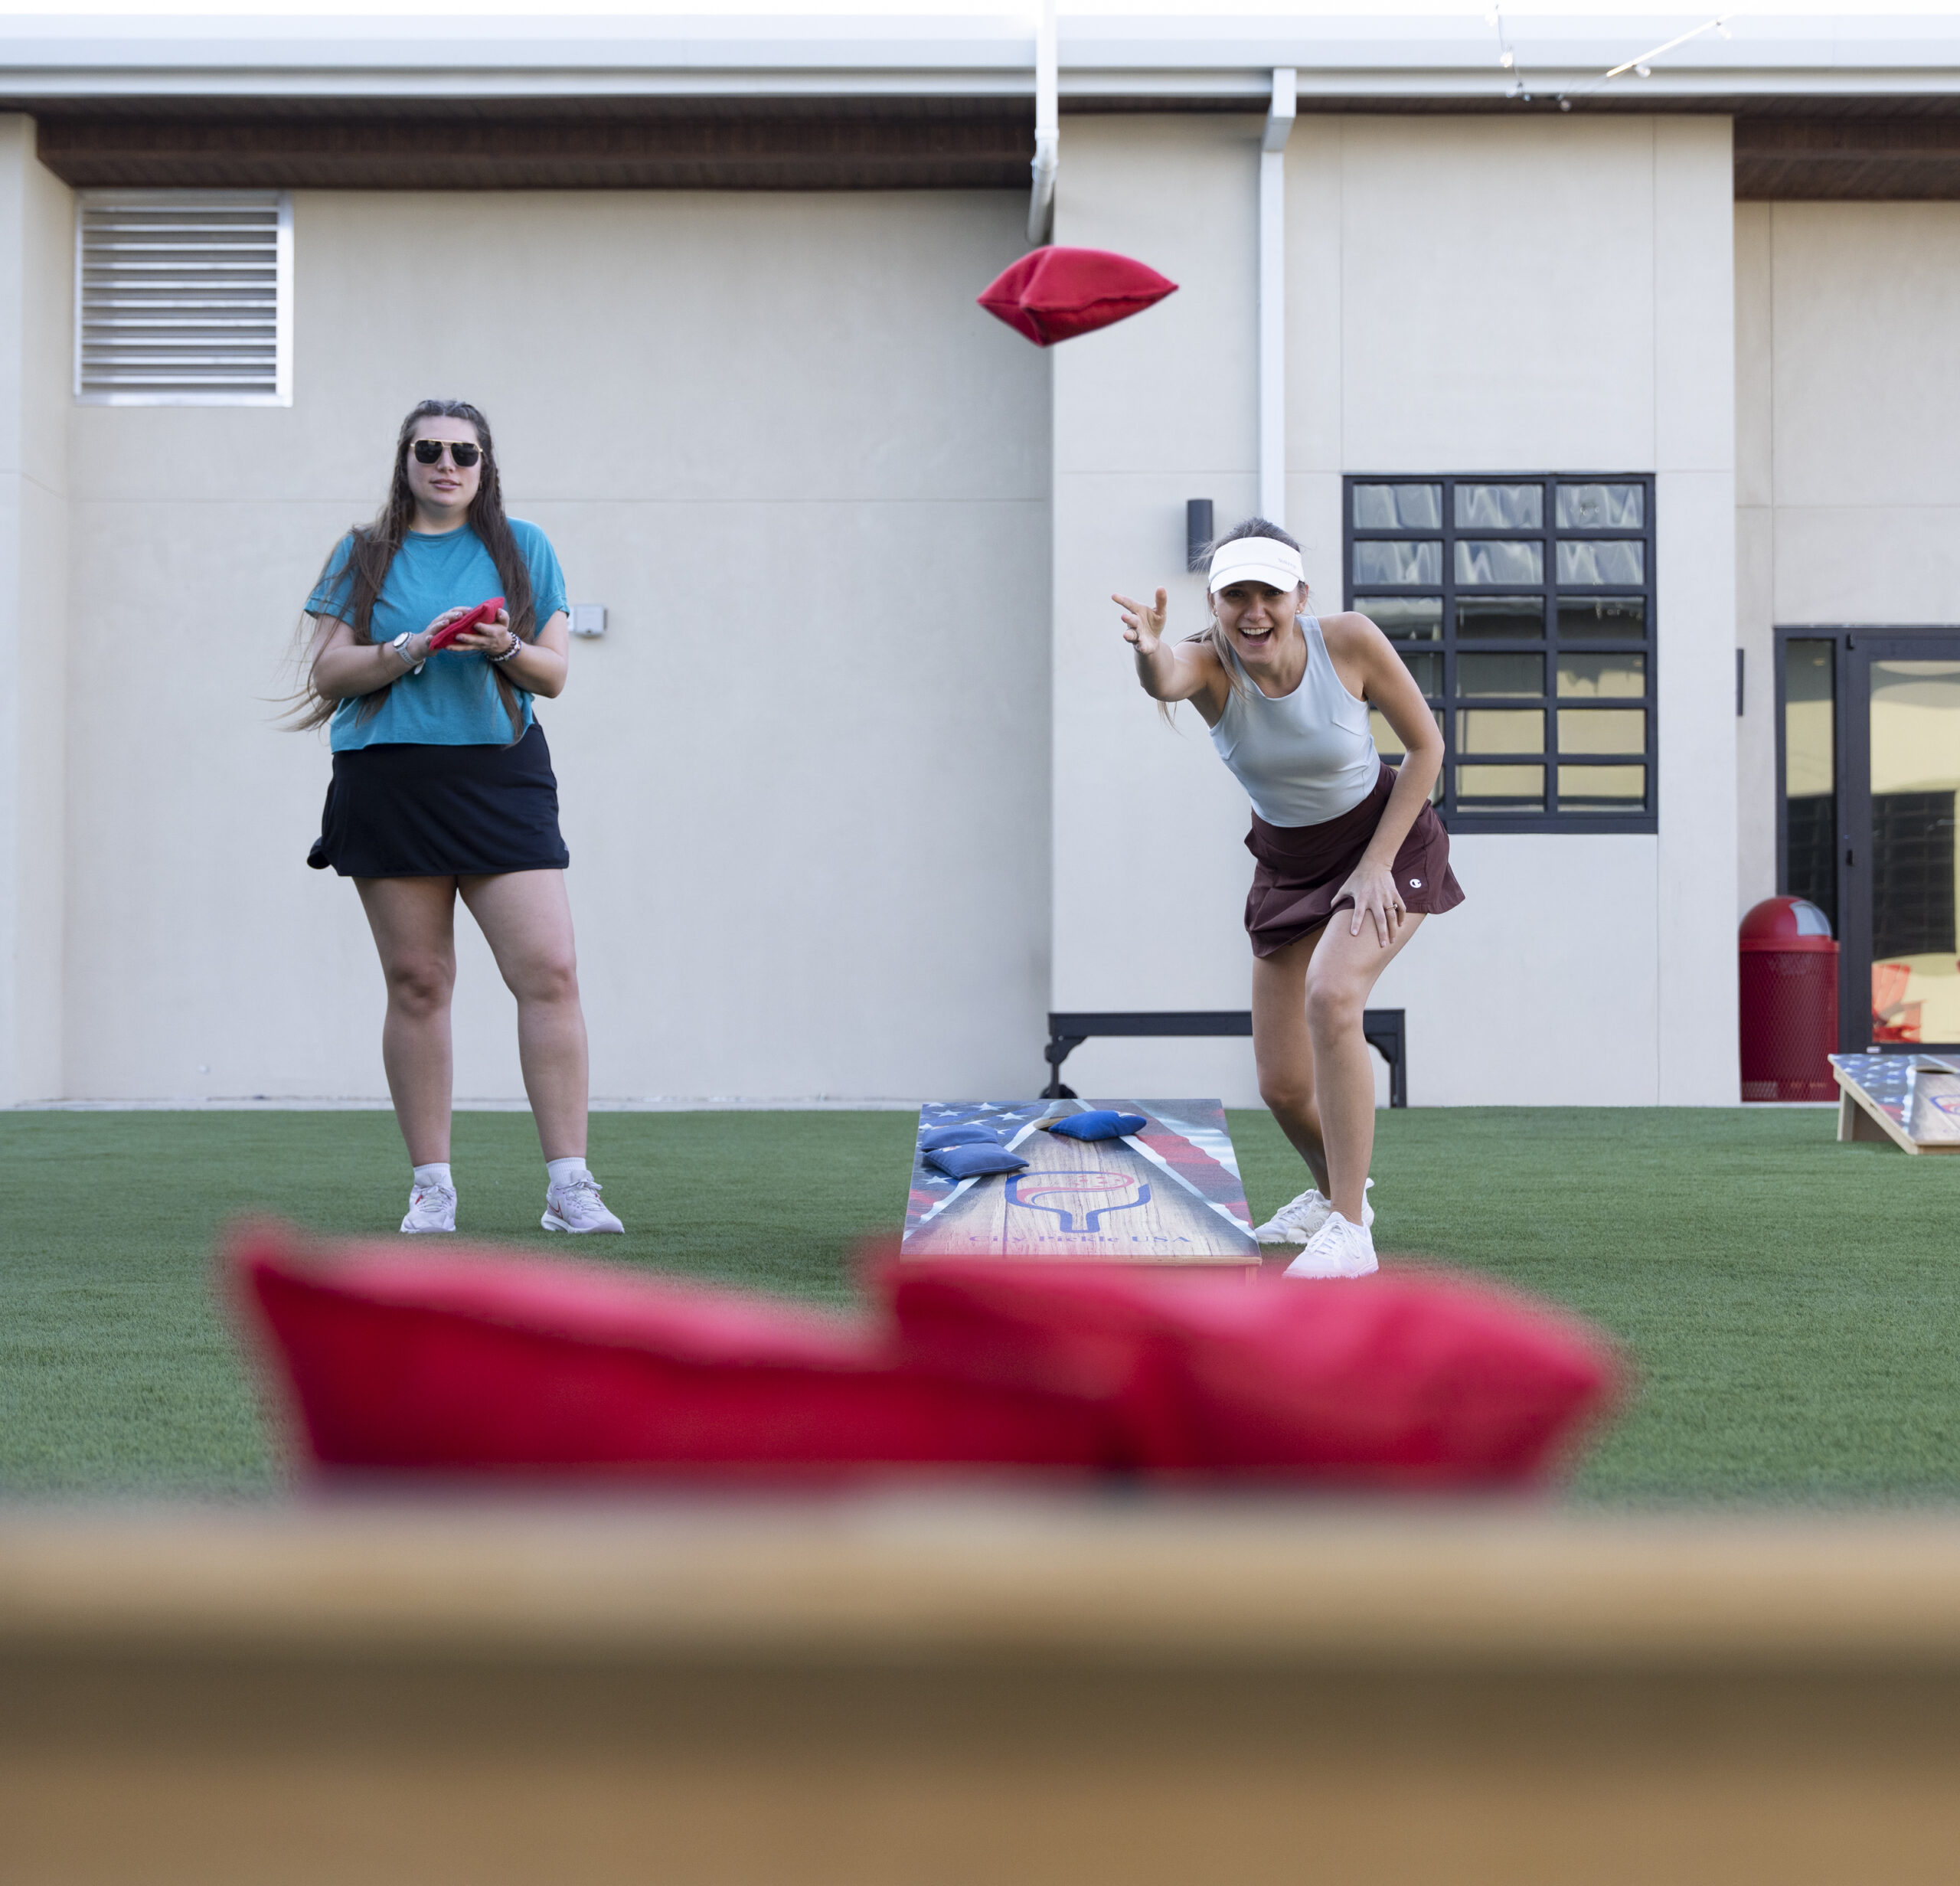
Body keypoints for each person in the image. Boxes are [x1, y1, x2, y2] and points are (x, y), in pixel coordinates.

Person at [292, 398, 622, 1237]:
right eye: (430, 449)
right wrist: (411, 648)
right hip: (389, 778)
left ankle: (570, 1187)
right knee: (418, 981)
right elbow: (328, 672)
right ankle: (432, 1188)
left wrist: (500, 645)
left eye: (464, 453)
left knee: (549, 970)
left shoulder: (524, 546)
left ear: (485, 466)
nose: (447, 464)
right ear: (405, 460)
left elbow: (554, 675)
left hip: (499, 775)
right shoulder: (363, 553)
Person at [1116, 518, 1460, 1278]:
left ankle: (1350, 1230)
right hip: (1289, 863)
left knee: (1332, 998)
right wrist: (1147, 652)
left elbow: (1426, 747)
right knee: (1280, 1084)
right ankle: (1336, 1193)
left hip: (1386, 843)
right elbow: (1166, 677)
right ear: (1215, 602)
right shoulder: (1209, 664)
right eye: (1235, 595)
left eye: (1269, 593)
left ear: (1299, 596)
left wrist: (1375, 865)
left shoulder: (1350, 642)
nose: (1253, 612)